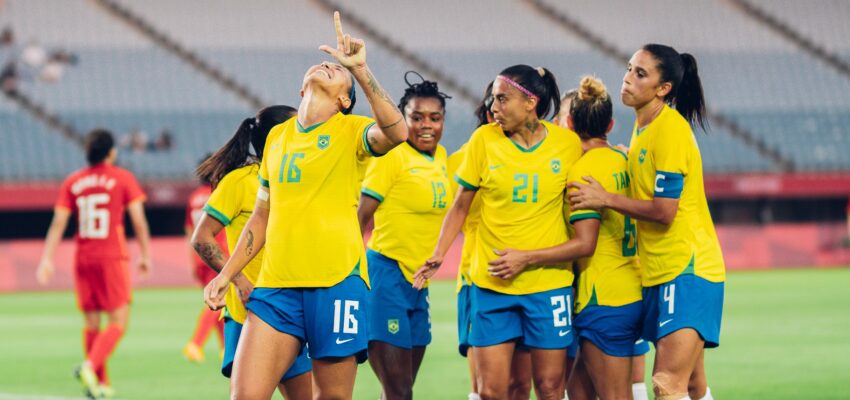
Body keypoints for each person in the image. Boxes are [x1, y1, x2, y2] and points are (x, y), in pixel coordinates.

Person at [203, 11, 408, 400]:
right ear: (301, 91)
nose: (328, 65)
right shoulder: (278, 138)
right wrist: (226, 275)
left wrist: (361, 71)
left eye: (337, 71)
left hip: (337, 283)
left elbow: (398, 133)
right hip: (277, 287)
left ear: (344, 99)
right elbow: (261, 217)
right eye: (323, 64)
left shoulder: (350, 132)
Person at [415, 64, 582, 400]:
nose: (493, 107)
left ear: (530, 102)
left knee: (550, 388)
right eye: (493, 99)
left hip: (548, 285)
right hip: (492, 284)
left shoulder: (567, 145)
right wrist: (438, 254)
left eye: (502, 99)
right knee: (493, 391)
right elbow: (460, 205)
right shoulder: (484, 140)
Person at [569, 44, 725, 400]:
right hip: (659, 271)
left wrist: (605, 198)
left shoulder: (669, 129)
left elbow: (664, 211)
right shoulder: (643, 130)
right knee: (693, 384)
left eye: (640, 74)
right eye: (628, 69)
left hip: (687, 268)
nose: (626, 79)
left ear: (663, 88)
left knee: (667, 384)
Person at [492, 76, 643, 399]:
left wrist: (525, 256)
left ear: (569, 124)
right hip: (628, 287)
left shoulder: (582, 172)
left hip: (603, 297)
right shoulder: (624, 160)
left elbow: (585, 243)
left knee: (615, 395)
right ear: (611, 124)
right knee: (577, 391)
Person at [192, 106, 312, 399]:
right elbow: (202, 237)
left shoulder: (299, 180)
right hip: (251, 310)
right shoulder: (240, 181)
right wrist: (240, 280)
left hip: (294, 305)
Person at [356, 71, 452, 400]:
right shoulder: (392, 156)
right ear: (403, 119)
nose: (426, 125)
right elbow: (359, 219)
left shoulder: (440, 158)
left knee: (399, 391)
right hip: (385, 277)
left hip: (417, 286)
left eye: (435, 118)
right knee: (399, 391)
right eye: (416, 117)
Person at [36, 129, 152, 399]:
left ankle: (100, 384)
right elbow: (139, 221)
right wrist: (145, 255)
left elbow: (58, 223)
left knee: (91, 323)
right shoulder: (123, 178)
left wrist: (47, 259)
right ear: (111, 152)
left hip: (83, 257)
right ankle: (90, 366)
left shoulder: (73, 181)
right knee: (118, 321)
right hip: (112, 256)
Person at [182, 160, 226, 364]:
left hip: (199, 255)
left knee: (218, 300)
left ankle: (225, 347)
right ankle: (196, 343)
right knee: (216, 299)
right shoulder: (217, 194)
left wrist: (193, 261)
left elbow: (190, 232)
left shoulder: (194, 198)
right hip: (217, 252)